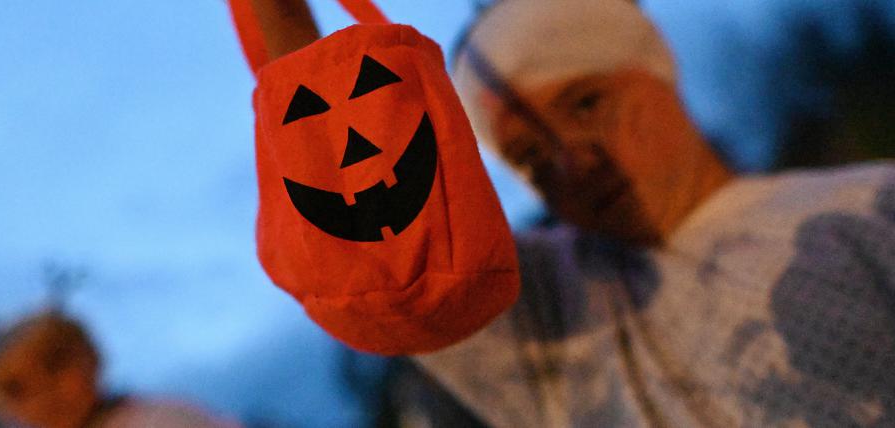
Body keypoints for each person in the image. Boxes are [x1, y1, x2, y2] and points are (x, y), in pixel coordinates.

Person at [249, 0, 895, 426]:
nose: (571, 160)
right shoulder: (545, 310)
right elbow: (330, 150)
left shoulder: (866, 210)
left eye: (587, 103)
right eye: (529, 156)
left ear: (652, 71)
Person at [0, 312, 238, 428]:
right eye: (17, 389)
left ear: (91, 356)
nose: (44, 391)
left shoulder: (163, 420)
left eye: (55, 363)